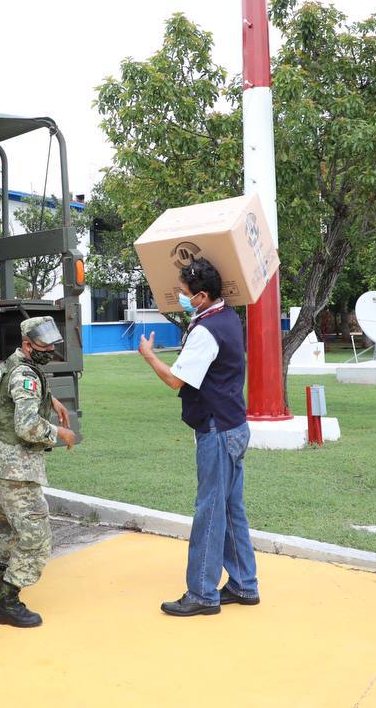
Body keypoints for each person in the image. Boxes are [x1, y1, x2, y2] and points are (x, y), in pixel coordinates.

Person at [137, 257, 260, 616]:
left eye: (185, 292)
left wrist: (149, 356)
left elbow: (176, 380)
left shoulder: (206, 331)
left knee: (210, 510)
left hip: (217, 430)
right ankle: (243, 584)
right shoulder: (227, 316)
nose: (181, 297)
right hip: (233, 425)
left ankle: (203, 593)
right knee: (230, 508)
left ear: (202, 295)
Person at [0, 316, 77, 628]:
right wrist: (60, 433)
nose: (50, 350)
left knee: (7, 530)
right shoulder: (26, 375)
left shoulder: (13, 363)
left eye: (52, 344)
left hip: (1, 460)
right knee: (36, 536)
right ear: (27, 345)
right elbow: (27, 426)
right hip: (18, 468)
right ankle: (8, 602)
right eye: (44, 346)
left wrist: (51, 399)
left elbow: (15, 393)